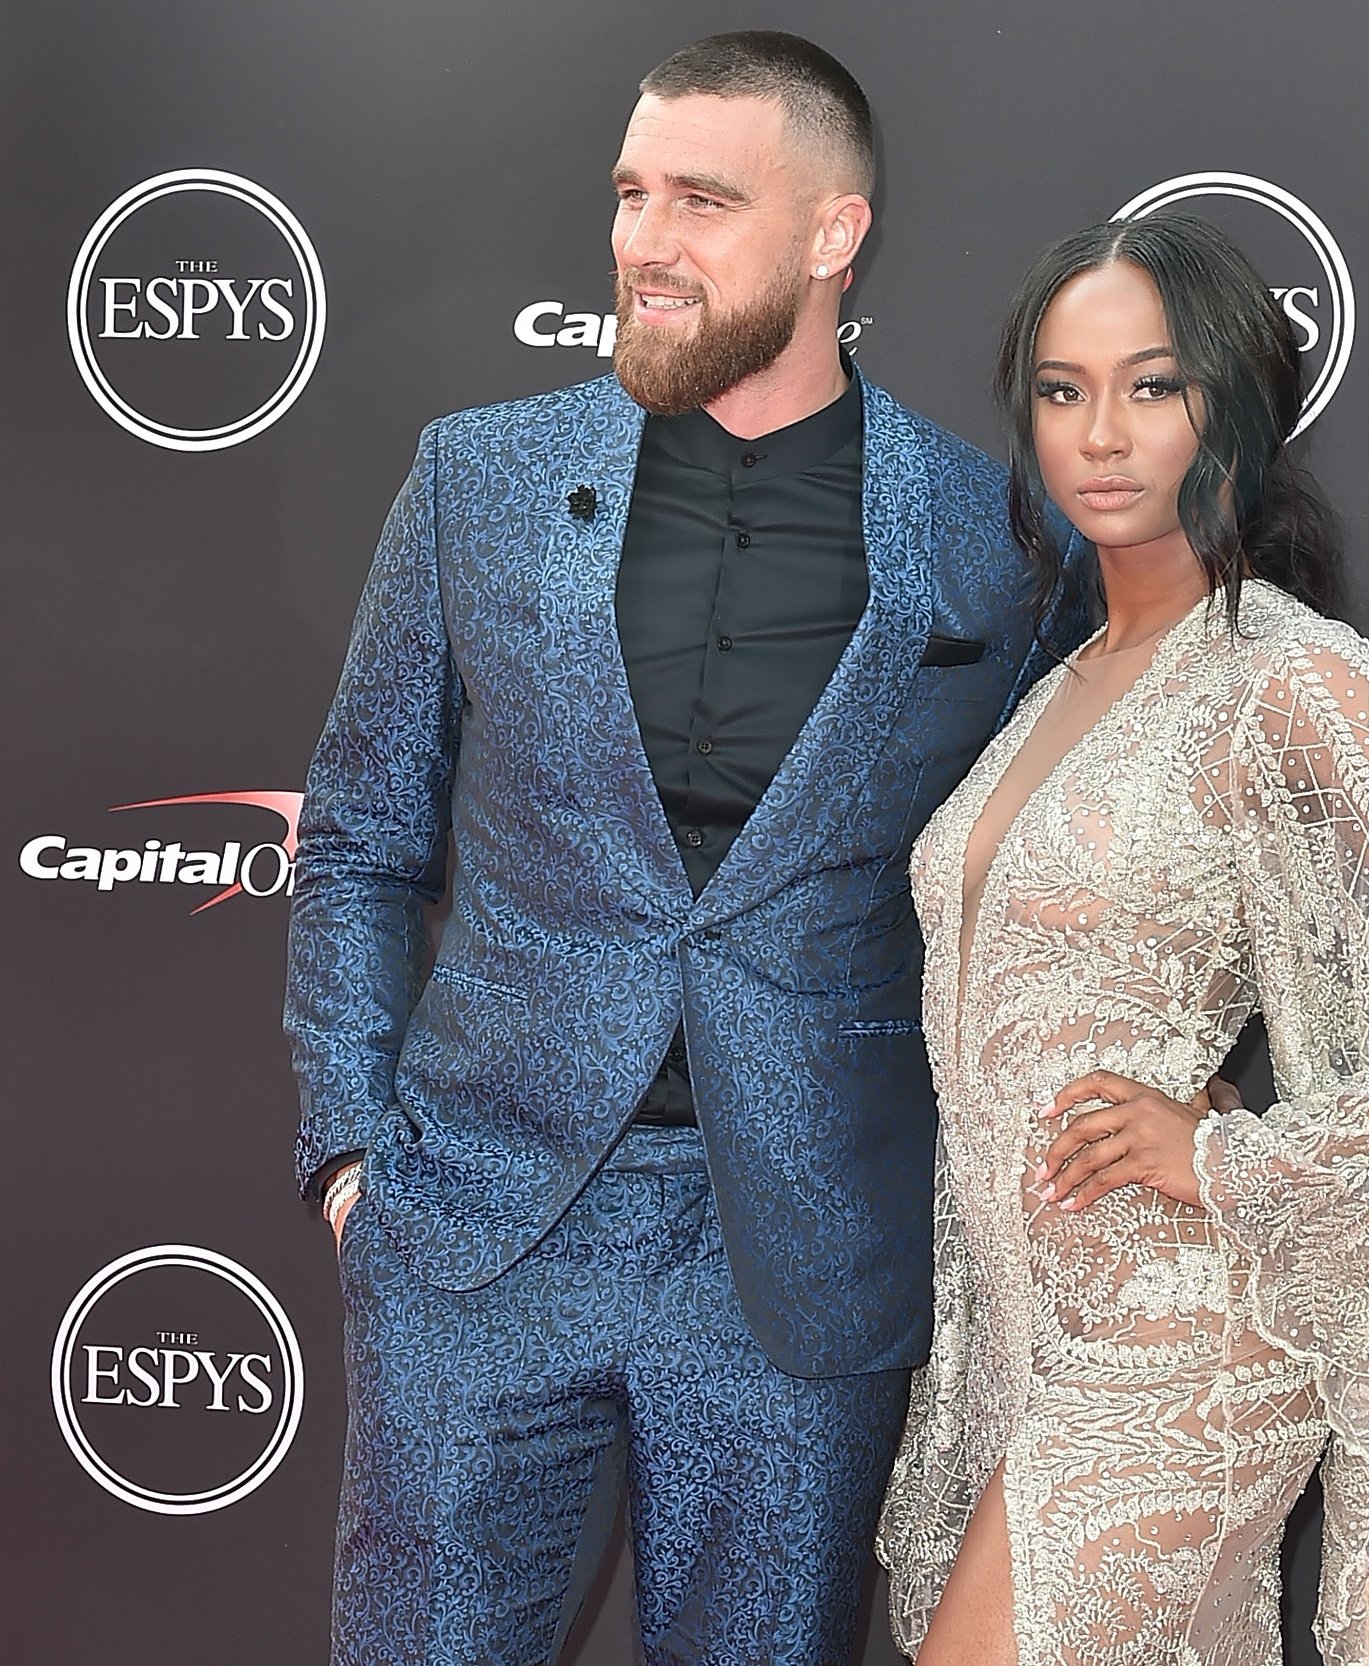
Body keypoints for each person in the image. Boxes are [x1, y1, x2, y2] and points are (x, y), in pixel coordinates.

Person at [286, 31, 1094, 1666]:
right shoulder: (479, 479)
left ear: (830, 237)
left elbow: (1051, 886)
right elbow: (360, 834)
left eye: (703, 200)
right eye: (631, 192)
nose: (644, 239)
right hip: (478, 1227)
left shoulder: (991, 535)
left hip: (790, 1261)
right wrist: (355, 1160)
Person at [877, 214, 1369, 1666]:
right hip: (1036, 1333)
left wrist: (1232, 1152)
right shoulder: (1060, 677)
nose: (1100, 433)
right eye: (1062, 389)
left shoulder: (1296, 678)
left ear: (1235, 406)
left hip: (1187, 1335)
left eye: (1153, 387)